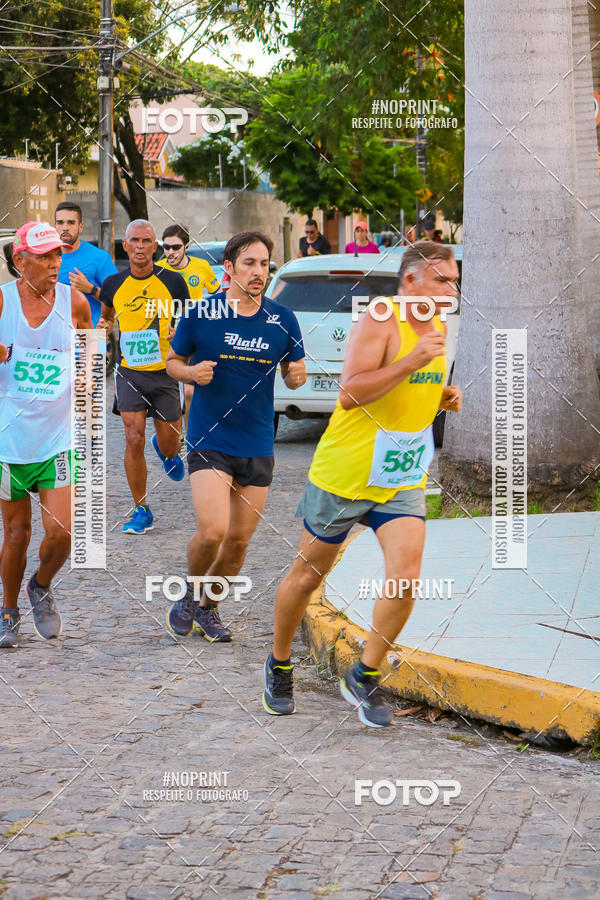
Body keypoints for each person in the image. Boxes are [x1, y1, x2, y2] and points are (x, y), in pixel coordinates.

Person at [262, 241, 462, 726]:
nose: (452, 290)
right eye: (442, 280)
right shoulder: (380, 319)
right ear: (410, 280)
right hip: (346, 474)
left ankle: (364, 674)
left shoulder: (436, 326)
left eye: (454, 281)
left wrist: (440, 396)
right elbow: (351, 392)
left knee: (406, 578)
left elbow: (404, 391)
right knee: (308, 576)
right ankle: (279, 662)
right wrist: (412, 362)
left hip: (399, 476)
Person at [165, 231, 306, 642]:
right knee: (213, 530)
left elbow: (294, 373)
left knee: (239, 541)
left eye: (264, 264)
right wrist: (191, 373)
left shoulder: (283, 319)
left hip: (257, 441)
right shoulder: (200, 313)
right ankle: (190, 592)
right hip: (210, 435)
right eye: (249, 263)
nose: (258, 271)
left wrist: (296, 376)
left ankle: (208, 608)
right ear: (229, 268)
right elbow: (173, 362)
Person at [0, 221, 92, 649]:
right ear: (20, 261)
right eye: (44, 256)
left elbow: (89, 353)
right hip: (9, 442)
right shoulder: (3, 301)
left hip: (58, 437)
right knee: (16, 534)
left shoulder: (75, 303)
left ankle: (40, 583)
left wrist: (85, 375)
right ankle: (8, 610)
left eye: (58, 254)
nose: (55, 263)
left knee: (62, 532)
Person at [99, 219, 190, 534]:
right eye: (134, 241)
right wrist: (103, 328)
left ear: (155, 247)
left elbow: (188, 319)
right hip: (129, 372)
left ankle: (165, 449)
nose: (140, 246)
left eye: (146, 241)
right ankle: (141, 509)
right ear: (125, 245)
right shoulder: (113, 284)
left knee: (171, 445)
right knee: (132, 436)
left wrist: (180, 332)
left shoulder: (173, 282)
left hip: (165, 372)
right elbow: (107, 317)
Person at [158, 224, 221, 429]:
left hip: (193, 336)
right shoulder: (158, 268)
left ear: (187, 246)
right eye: (166, 247)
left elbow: (218, 298)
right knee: (169, 397)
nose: (170, 252)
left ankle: (190, 436)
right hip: (165, 338)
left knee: (189, 392)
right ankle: (173, 438)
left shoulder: (202, 266)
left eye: (175, 247)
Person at [55, 201, 118, 326]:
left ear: (81, 226)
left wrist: (90, 289)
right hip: (56, 334)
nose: (65, 227)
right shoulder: (46, 259)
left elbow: (119, 300)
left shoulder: (99, 257)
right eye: (60, 222)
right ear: (55, 226)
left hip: (90, 332)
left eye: (71, 222)